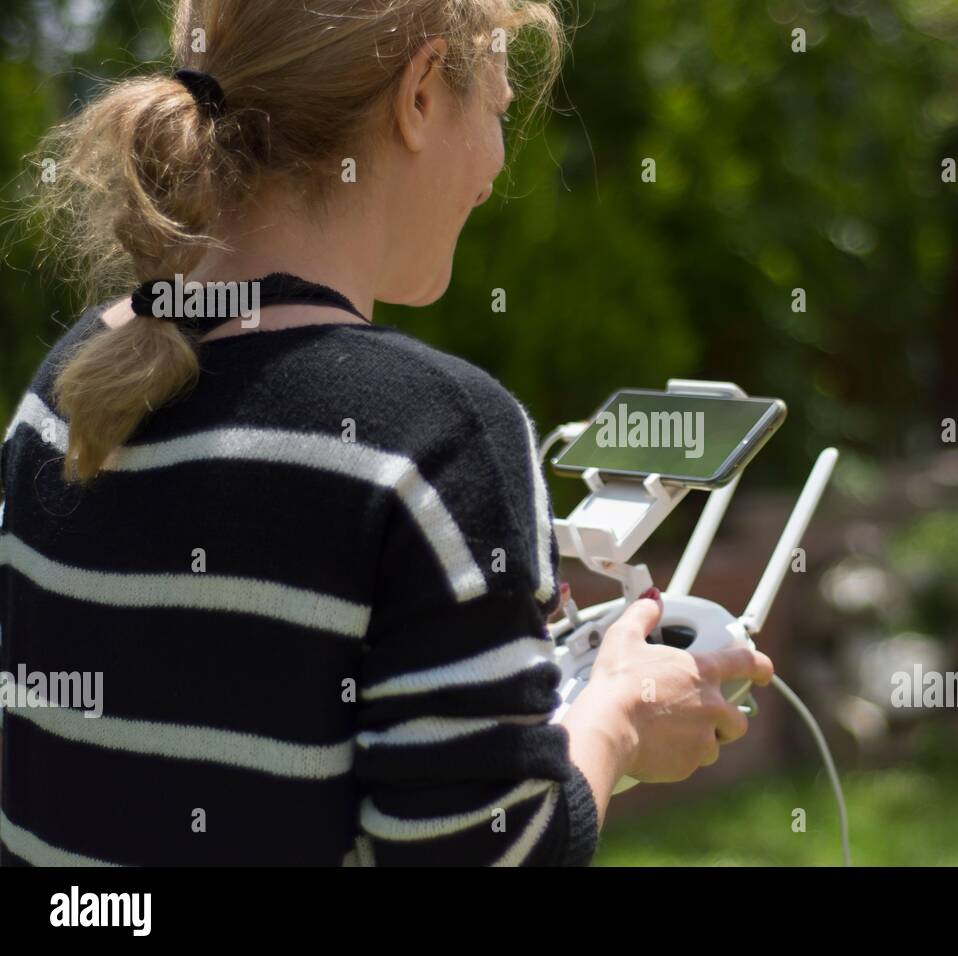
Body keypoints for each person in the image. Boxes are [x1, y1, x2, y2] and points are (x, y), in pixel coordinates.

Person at [0, 0, 772, 866]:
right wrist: (619, 719)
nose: (496, 165)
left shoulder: (70, 381)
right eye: (499, 109)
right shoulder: (437, 437)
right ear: (417, 98)